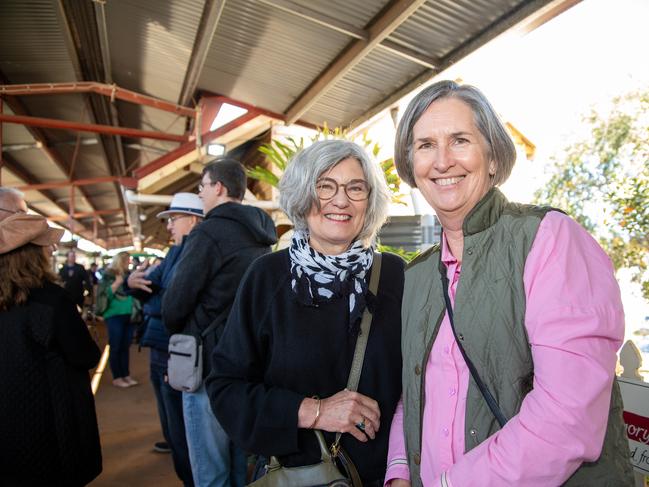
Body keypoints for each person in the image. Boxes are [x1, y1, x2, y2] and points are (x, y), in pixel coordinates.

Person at [385, 80, 633, 486]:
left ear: (494, 157)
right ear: (411, 164)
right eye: (425, 145)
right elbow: (410, 393)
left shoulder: (550, 239)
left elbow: (567, 415)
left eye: (460, 140)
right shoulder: (416, 276)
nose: (442, 161)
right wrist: (399, 470)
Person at [206, 140, 405, 487]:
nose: (340, 200)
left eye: (355, 188)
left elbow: (421, 387)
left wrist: (402, 469)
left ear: (369, 200)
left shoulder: (397, 276)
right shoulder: (266, 277)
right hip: (298, 474)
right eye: (325, 186)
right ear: (302, 195)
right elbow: (226, 388)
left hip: (386, 477)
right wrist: (316, 412)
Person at [163, 158, 277, 487]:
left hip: (207, 364)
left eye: (201, 187)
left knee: (210, 467)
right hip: (248, 362)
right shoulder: (263, 235)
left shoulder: (209, 233)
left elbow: (174, 304)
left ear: (219, 188)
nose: (200, 194)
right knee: (240, 459)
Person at [0, 213, 102, 485]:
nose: (53, 249)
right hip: (48, 421)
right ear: (30, 254)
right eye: (47, 244)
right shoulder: (52, 300)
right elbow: (85, 355)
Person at [126, 192, 204, 487]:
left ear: (193, 219)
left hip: (179, 349)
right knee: (170, 419)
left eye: (173, 219)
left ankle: (189, 477)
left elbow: (173, 302)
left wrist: (150, 299)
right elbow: (152, 287)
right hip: (162, 344)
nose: (169, 226)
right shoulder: (174, 253)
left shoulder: (195, 253)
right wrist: (134, 284)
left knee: (183, 424)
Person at [98, 251, 138, 388]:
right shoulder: (109, 275)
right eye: (127, 260)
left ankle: (125, 374)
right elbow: (103, 295)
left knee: (125, 346)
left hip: (128, 314)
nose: (129, 262)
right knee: (116, 346)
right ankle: (117, 377)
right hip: (114, 315)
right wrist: (116, 284)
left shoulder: (128, 275)